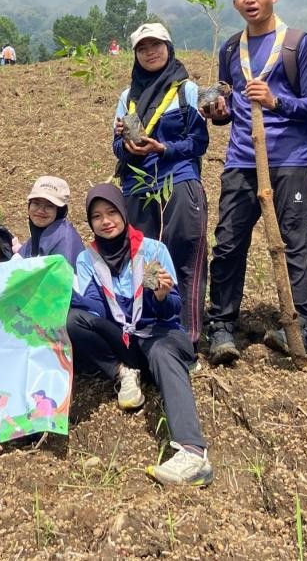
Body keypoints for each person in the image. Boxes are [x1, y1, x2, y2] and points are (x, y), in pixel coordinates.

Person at [202, 0, 307, 364]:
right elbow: (227, 106)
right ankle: (221, 326)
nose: (249, 0)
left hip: (290, 159)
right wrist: (218, 111)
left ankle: (299, 324)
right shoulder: (231, 49)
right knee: (230, 241)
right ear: (234, 1)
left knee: (295, 241)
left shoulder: (297, 44)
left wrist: (276, 101)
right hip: (241, 158)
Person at [66, 185, 212, 487]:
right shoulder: (87, 260)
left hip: (160, 334)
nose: (106, 221)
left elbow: (172, 311)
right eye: (97, 216)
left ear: (123, 213)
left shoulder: (152, 250)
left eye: (111, 213)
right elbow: (94, 311)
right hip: (126, 343)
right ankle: (122, 373)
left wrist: (160, 295)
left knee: (160, 351)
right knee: (74, 320)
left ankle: (194, 453)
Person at [113, 22, 210, 346]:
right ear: (135, 55)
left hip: (179, 180)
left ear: (169, 48)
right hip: (138, 188)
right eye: (142, 48)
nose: (150, 52)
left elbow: (198, 142)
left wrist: (164, 148)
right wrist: (126, 146)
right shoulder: (128, 97)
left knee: (183, 253)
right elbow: (115, 147)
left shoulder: (187, 91)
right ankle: (155, 330)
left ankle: (187, 337)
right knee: (147, 257)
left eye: (156, 45)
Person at [14, 176, 85, 265]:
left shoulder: (65, 241)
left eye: (49, 206)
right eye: (36, 203)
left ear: (60, 211)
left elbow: (64, 277)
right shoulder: (38, 235)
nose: (40, 210)